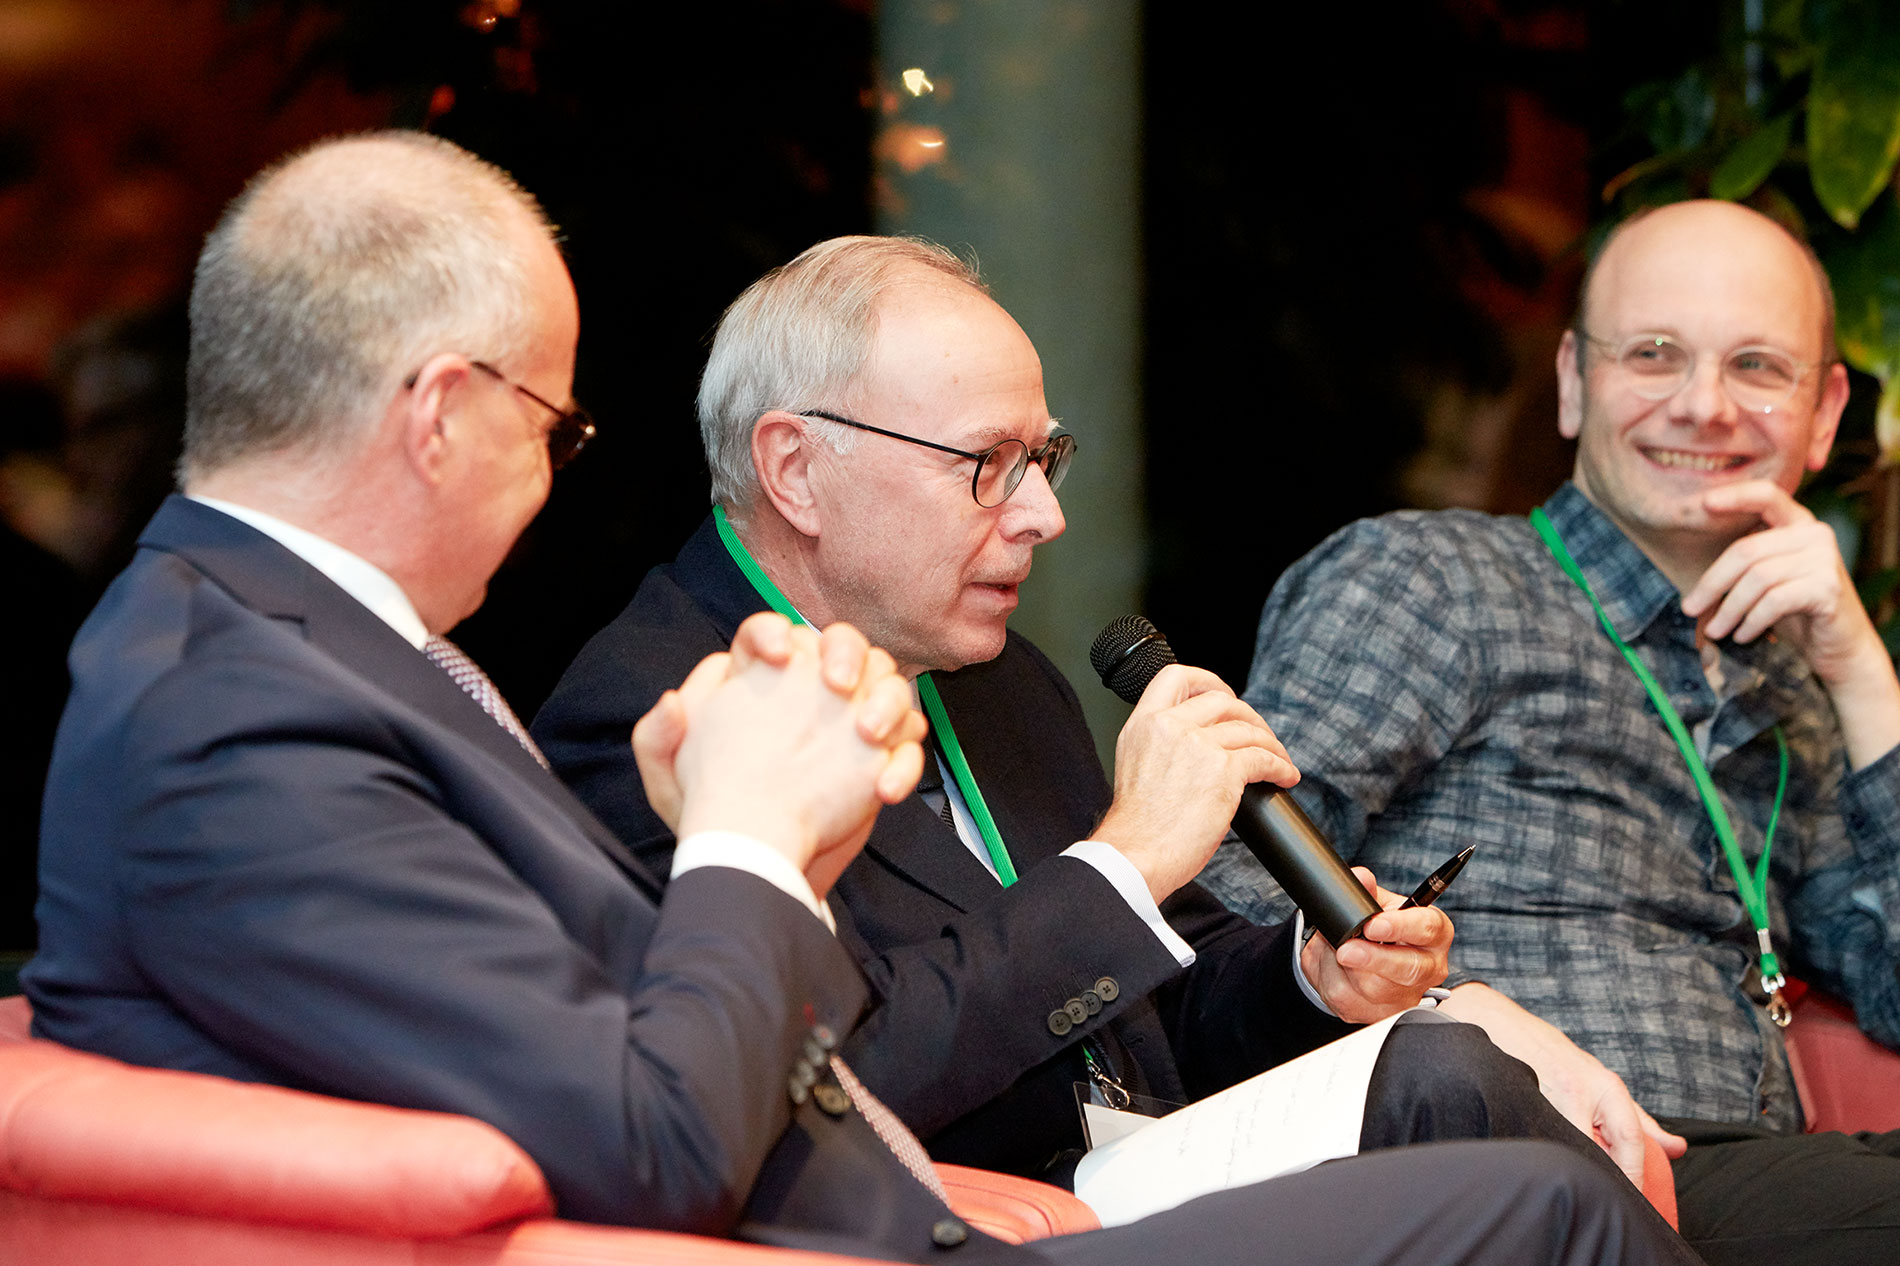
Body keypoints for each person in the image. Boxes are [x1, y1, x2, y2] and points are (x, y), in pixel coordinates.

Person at [22, 131, 1695, 1266]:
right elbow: (649, 1134)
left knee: (1494, 1143)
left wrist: (737, 846)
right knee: (1536, 1206)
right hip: (882, 1231)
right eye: (553, 424)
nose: (554, 473)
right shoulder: (233, 705)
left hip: (924, 1205)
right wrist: (752, 837)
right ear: (440, 412)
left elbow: (626, 1027)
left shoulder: (283, 652)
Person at [530, 236, 1655, 1200]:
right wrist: (1125, 861)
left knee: (1455, 1084)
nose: (1043, 514)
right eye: (988, 463)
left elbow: (1168, 1004)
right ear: (795, 469)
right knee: (1446, 1090)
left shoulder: (997, 678)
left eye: (1044, 458)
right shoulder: (651, 715)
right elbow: (827, 1082)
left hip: (1141, 1170)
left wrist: (1312, 979)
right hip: (956, 1218)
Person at [1201, 198, 1900, 1266]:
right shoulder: (1433, 582)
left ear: (1824, 412)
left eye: (1756, 366)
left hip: (1732, 1184)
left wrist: (1861, 674)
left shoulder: (1792, 686)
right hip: (1502, 1165)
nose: (1703, 406)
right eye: (1653, 353)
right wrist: (1451, 1007)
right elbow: (1222, 873)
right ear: (1573, 379)